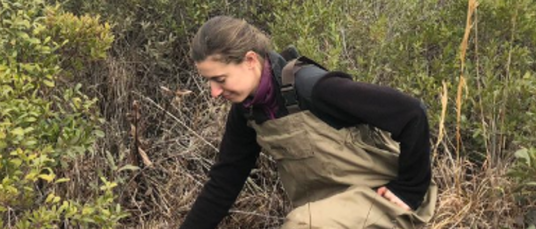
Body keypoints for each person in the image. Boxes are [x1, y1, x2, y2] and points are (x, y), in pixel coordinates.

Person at [180, 16, 437, 229]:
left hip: (384, 199)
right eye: (209, 81)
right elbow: (224, 182)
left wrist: (410, 190)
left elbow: (411, 112)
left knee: (302, 225)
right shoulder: (247, 112)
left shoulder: (311, 86)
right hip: (337, 211)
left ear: (250, 61)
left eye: (220, 79)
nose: (214, 92)